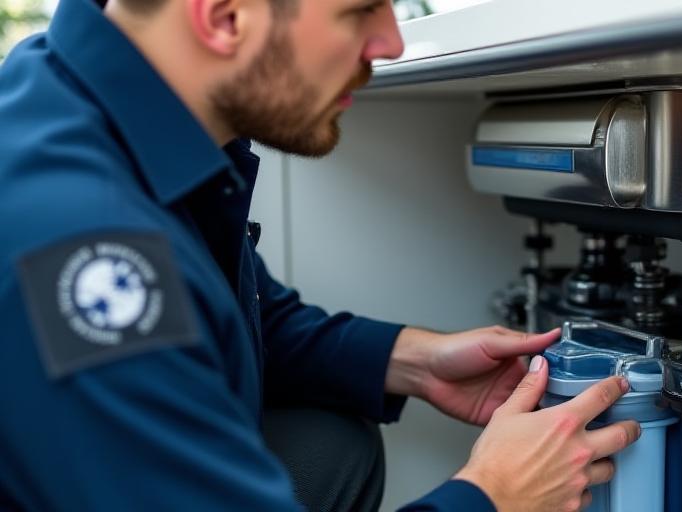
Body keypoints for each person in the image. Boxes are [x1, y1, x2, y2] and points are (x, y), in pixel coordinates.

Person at [0, 0, 641, 510]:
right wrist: (492, 496)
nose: (390, 41)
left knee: (330, 444)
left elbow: (241, 311)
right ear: (225, 18)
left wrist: (414, 363)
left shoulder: (93, 100)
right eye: (361, 9)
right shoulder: (84, 245)